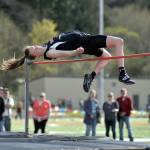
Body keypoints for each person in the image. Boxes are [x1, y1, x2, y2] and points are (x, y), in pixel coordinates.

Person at [1, 31, 135, 92]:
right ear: (36, 55)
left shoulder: (47, 45)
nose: (35, 46)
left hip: (85, 39)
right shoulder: (49, 52)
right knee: (119, 41)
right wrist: (75, 52)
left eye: (33, 45)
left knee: (106, 57)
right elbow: (63, 54)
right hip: (85, 42)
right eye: (33, 49)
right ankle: (122, 73)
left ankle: (91, 77)